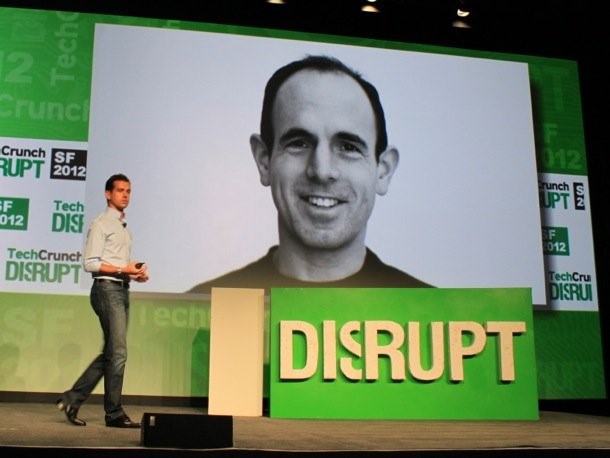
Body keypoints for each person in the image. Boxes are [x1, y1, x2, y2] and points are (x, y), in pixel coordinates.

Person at [189, 55, 430, 294]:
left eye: (348, 147)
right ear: (264, 161)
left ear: (383, 171)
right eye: (299, 143)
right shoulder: (207, 306)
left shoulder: (433, 312)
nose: (322, 171)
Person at [56, 173, 149, 428]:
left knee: (111, 353)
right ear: (108, 194)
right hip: (106, 290)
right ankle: (114, 413)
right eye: (120, 190)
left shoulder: (123, 227)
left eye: (128, 191)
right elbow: (90, 263)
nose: (125, 195)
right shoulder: (101, 224)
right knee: (117, 353)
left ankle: (72, 398)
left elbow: (118, 265)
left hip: (121, 289)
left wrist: (134, 274)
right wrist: (122, 270)